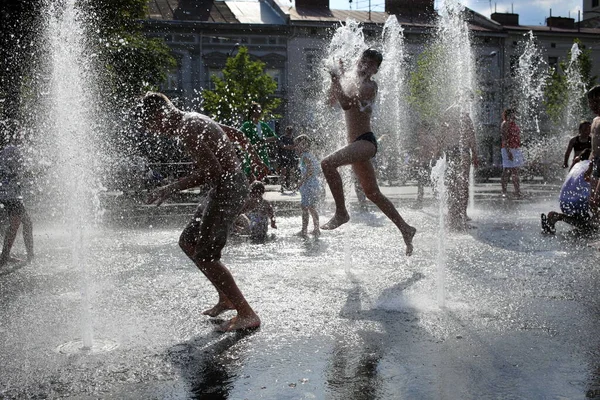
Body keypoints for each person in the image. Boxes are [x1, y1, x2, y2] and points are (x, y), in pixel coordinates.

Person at [140, 92, 267, 332]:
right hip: (225, 186)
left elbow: (214, 173)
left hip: (227, 189)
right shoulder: (194, 118)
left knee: (206, 255)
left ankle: (247, 313)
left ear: (159, 115)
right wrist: (255, 159)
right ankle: (226, 298)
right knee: (188, 241)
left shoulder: (188, 129)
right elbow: (237, 135)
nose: (157, 133)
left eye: (153, 126)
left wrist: (171, 187)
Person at [321, 48, 416, 255]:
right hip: (355, 145)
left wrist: (337, 77)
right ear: (359, 60)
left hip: (365, 142)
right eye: (365, 60)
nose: (366, 65)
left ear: (376, 70)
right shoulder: (350, 81)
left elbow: (345, 104)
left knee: (327, 164)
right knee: (372, 193)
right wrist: (336, 79)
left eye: (372, 64)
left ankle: (341, 212)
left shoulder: (369, 86)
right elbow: (331, 102)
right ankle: (406, 229)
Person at [0, 121, 33, 266]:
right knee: (15, 225)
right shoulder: (13, 150)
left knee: (27, 222)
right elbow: (19, 172)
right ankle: (4, 257)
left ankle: (30, 254)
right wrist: (39, 171)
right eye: (20, 131)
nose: (22, 134)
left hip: (8, 193)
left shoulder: (7, 149)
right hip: (10, 194)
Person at [440, 107, 479, 230]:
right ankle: (460, 215)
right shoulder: (464, 115)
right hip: (461, 152)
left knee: (453, 184)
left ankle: (454, 215)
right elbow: (472, 135)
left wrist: (438, 150)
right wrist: (475, 154)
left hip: (453, 151)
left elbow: (442, 133)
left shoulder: (450, 112)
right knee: (461, 184)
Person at [541, 149, 597, 234]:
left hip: (563, 201)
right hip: (578, 202)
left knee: (585, 220)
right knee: (589, 227)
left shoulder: (577, 165)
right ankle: (558, 217)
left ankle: (557, 217)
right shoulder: (593, 166)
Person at [239, 102, 278, 180]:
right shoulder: (247, 125)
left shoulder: (263, 125)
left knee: (262, 173)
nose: (260, 111)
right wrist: (248, 146)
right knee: (250, 174)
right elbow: (239, 135)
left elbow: (275, 137)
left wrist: (265, 140)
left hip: (262, 153)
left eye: (260, 109)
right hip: (251, 153)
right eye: (258, 109)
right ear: (252, 111)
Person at [294, 134, 321, 237]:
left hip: (309, 184)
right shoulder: (310, 155)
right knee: (311, 207)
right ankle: (316, 229)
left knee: (305, 207)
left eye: (298, 144)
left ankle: (304, 230)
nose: (296, 147)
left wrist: (301, 182)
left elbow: (310, 170)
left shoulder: (305, 156)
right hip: (313, 184)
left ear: (304, 144)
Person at [500, 108, 523, 198]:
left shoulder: (513, 124)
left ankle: (517, 191)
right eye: (513, 114)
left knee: (514, 170)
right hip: (508, 149)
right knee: (507, 170)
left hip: (515, 148)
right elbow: (504, 138)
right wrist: (508, 151)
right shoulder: (505, 123)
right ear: (509, 114)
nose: (515, 116)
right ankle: (504, 191)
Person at [587, 86, 600, 213]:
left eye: (597, 101)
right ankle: (595, 227)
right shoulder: (595, 121)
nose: (593, 105)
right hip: (597, 162)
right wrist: (590, 167)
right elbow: (594, 148)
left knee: (597, 199)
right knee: (592, 202)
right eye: (591, 102)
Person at [277, 126, 298, 193]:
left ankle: (292, 186)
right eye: (288, 130)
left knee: (292, 172)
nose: (289, 132)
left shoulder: (293, 138)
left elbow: (295, 146)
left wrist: (288, 147)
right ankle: (282, 186)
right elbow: (281, 145)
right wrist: (288, 147)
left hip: (291, 157)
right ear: (286, 131)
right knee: (283, 172)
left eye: (290, 130)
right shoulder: (282, 137)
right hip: (284, 157)